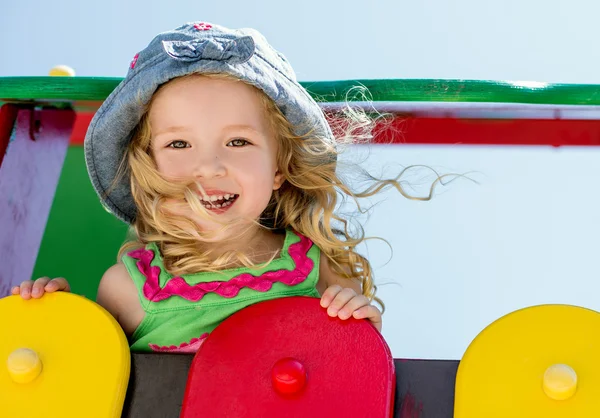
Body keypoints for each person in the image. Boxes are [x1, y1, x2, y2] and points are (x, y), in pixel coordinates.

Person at [12, 21, 419, 352]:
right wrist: (57, 317)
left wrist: (361, 328)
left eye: (238, 142)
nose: (208, 166)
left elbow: (355, 376)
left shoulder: (318, 269)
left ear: (279, 167)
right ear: (149, 165)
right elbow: (94, 379)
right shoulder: (128, 288)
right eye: (179, 144)